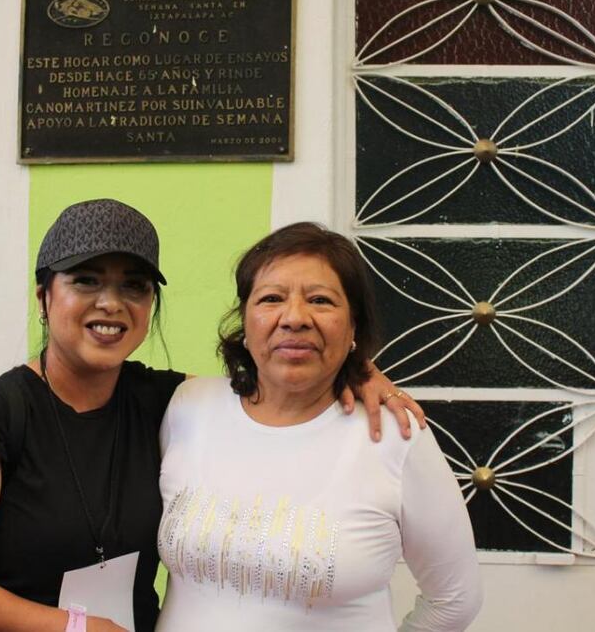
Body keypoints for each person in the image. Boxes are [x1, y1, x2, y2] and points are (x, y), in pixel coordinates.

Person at [0, 200, 424, 632]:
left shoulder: (165, 402)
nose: (111, 303)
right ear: (44, 297)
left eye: (134, 286)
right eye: (85, 281)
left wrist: (354, 370)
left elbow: (273, 387)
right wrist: (74, 628)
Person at [157, 223, 482, 631]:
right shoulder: (189, 407)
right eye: (272, 298)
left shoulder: (395, 436)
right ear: (245, 321)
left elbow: (455, 600)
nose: (294, 318)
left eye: (320, 300)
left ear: (353, 327)